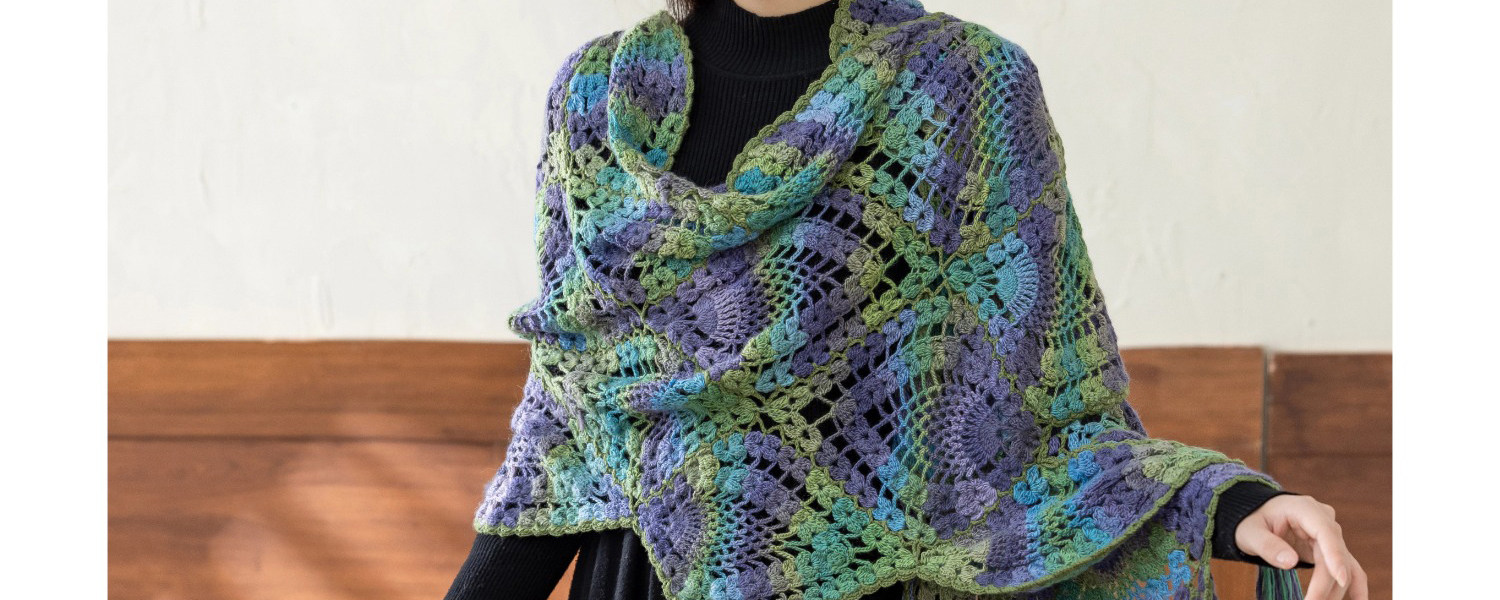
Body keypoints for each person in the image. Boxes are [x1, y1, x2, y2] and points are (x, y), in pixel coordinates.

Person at [445, 1, 1368, 599]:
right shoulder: (594, 99)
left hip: (877, 581)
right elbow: (571, 414)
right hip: (638, 576)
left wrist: (1232, 507)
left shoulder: (967, 90)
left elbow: (1050, 420)